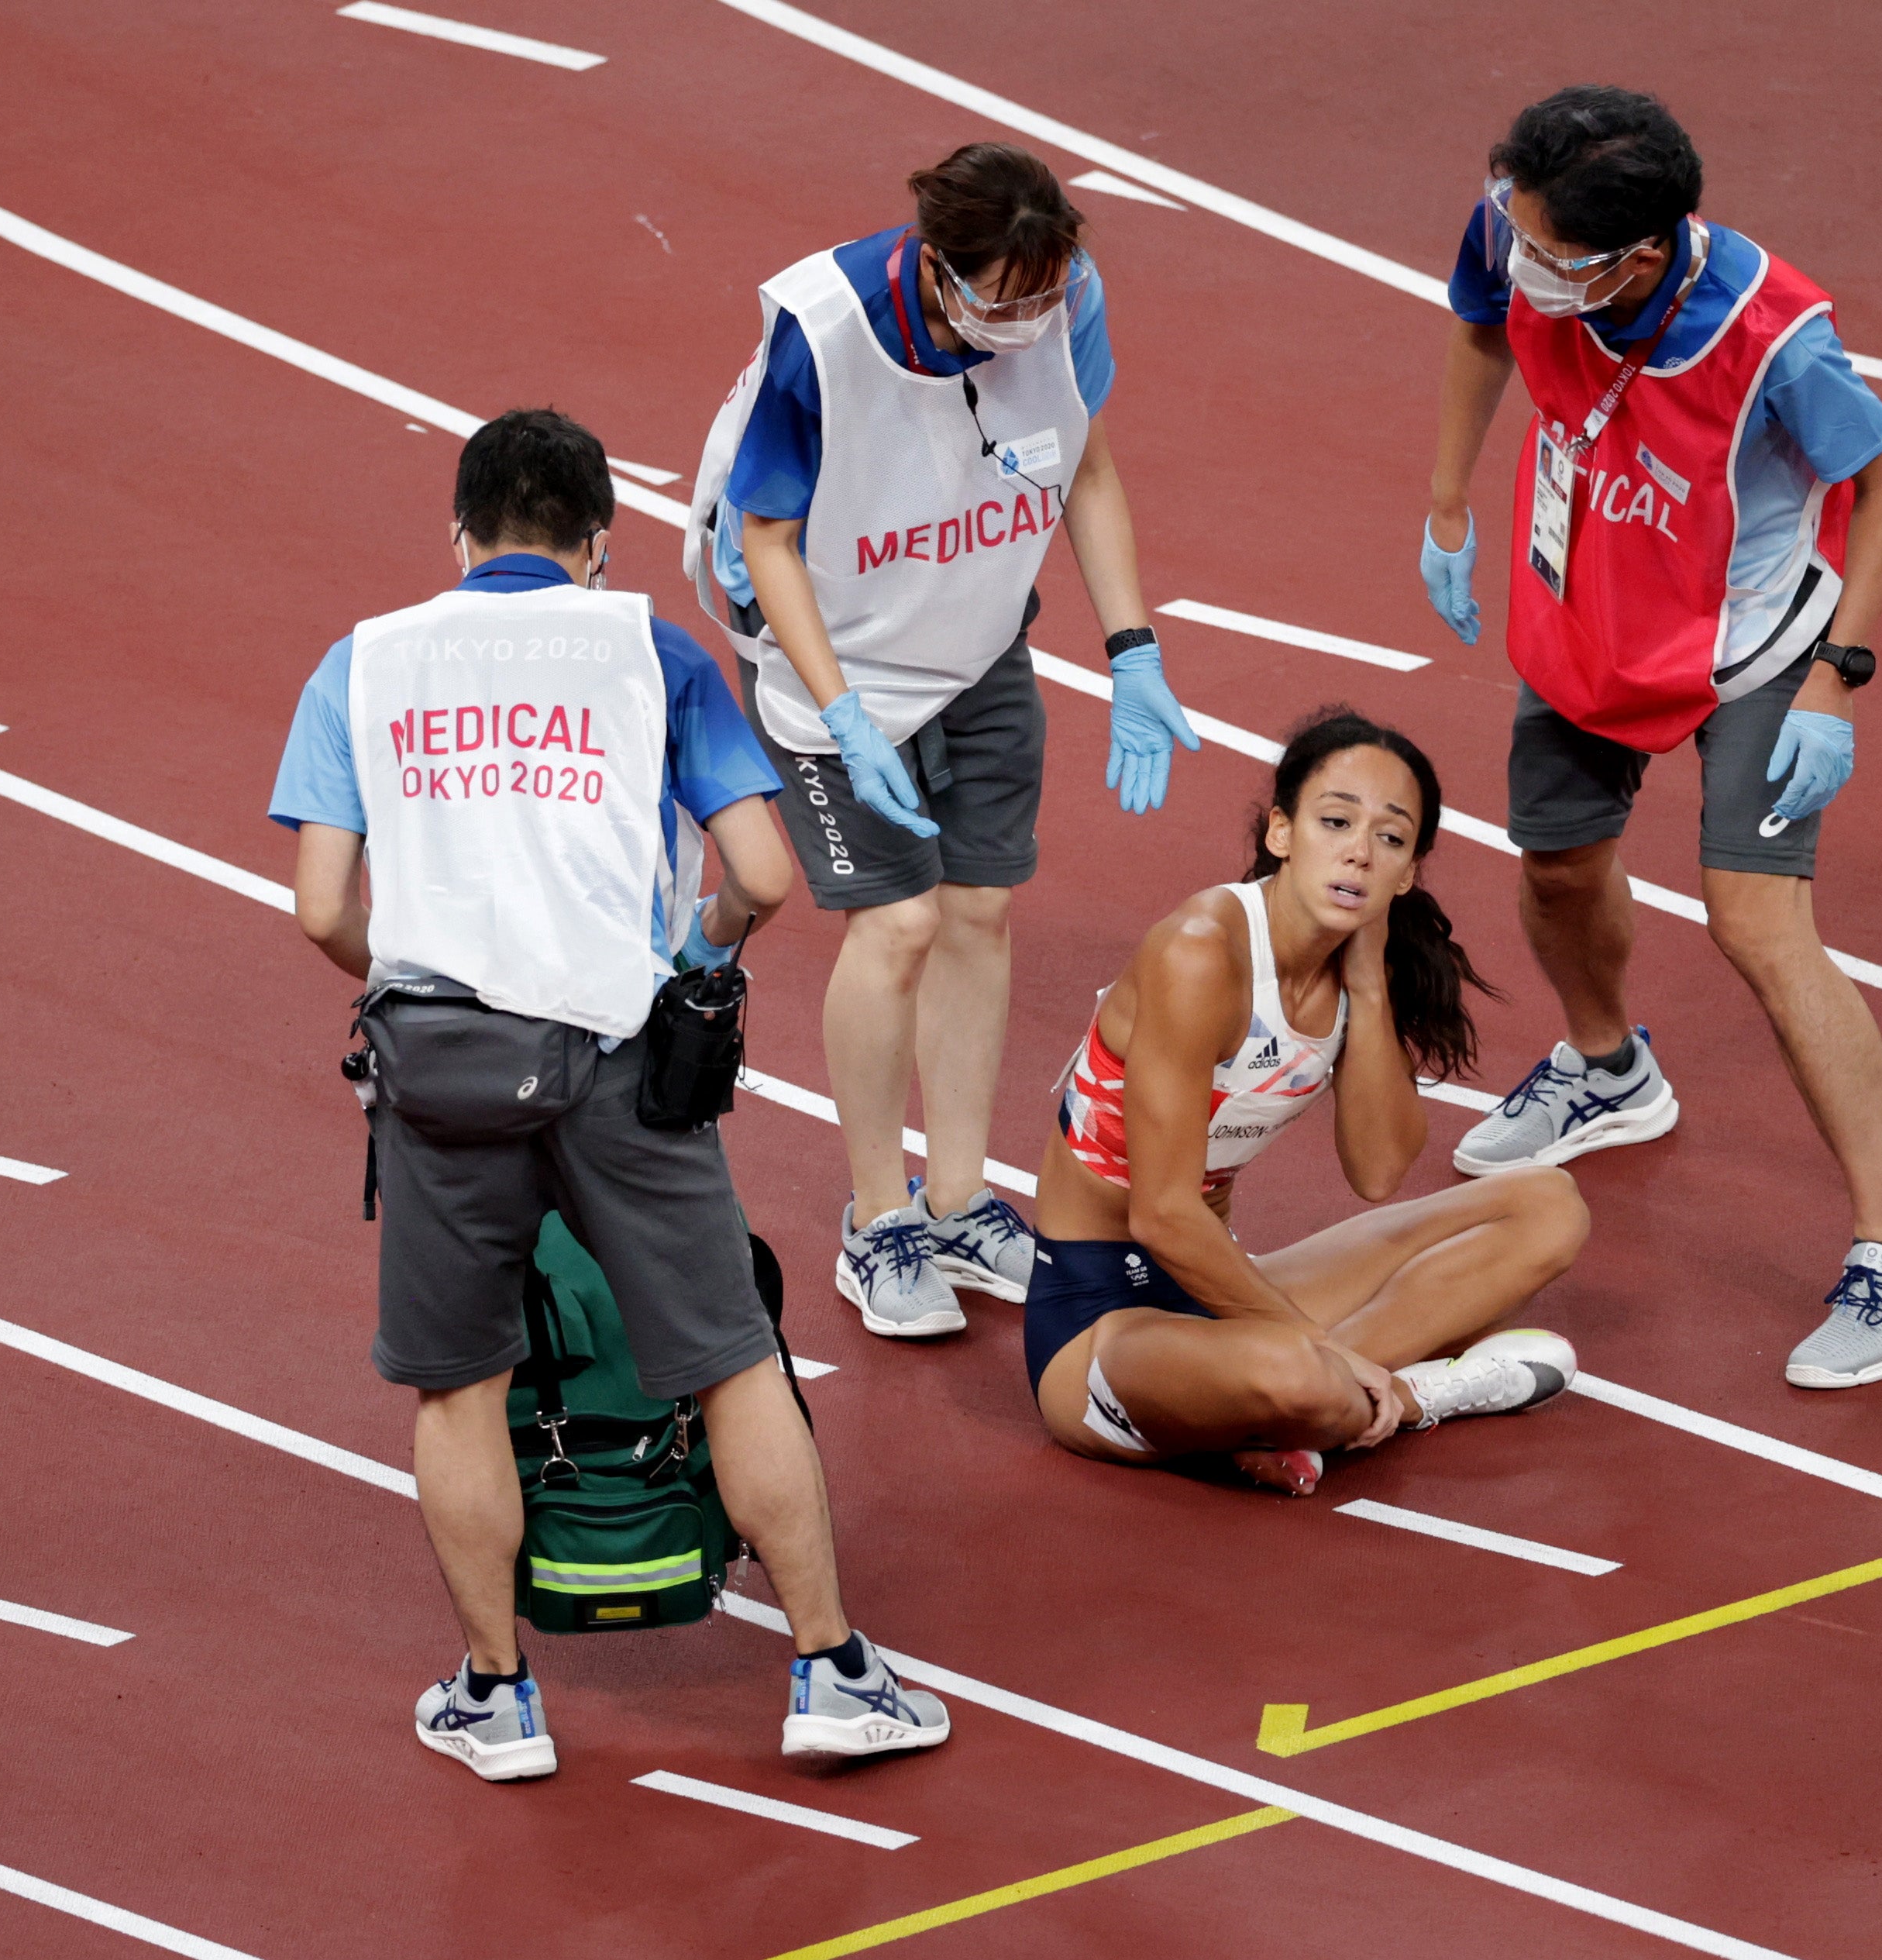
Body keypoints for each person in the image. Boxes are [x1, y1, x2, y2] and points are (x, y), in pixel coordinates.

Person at [270, 408, 948, 1781]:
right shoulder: (649, 645)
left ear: (458, 535)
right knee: (730, 1356)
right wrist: (696, 957)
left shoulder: (364, 660)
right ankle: (830, 1670)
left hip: (442, 1062)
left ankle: (497, 1694)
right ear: (596, 544)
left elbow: (322, 904)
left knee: (458, 1386)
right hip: (621, 1055)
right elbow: (758, 870)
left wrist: (400, 974)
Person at [1416, 86, 1882, 1391]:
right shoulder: (1520, 234)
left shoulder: (1775, 341)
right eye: (1517, 229)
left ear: (1640, 256)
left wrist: (1838, 676)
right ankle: (1608, 1069)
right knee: (1554, 862)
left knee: (1759, 924)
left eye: (1550, 250)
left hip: (1749, 640)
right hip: (1593, 599)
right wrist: (1447, 503)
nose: (1517, 254)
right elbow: (1486, 326)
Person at [684, 142, 1199, 1342]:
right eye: (1003, 299)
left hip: (974, 637)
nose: (1028, 321)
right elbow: (765, 538)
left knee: (976, 910)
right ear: (934, 267)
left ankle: (961, 1200)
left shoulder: (1065, 299)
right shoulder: (826, 331)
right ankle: (881, 1222)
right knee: (899, 919)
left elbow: (1089, 469)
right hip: (831, 657)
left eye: (1045, 295)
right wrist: (844, 712)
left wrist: (1132, 650)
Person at [1027, 709, 1591, 1497]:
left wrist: (1366, 981)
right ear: (1283, 833)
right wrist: (1323, 1351)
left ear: (1405, 876)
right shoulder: (1200, 951)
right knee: (1293, 1366)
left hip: (1220, 1287)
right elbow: (1161, 1215)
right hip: (1098, 1322)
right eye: (1335, 821)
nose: (1360, 850)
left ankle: (1314, 1411)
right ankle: (1415, 1393)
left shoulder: (1354, 968)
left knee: (1548, 1205)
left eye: (1391, 840)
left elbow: (1380, 1168)